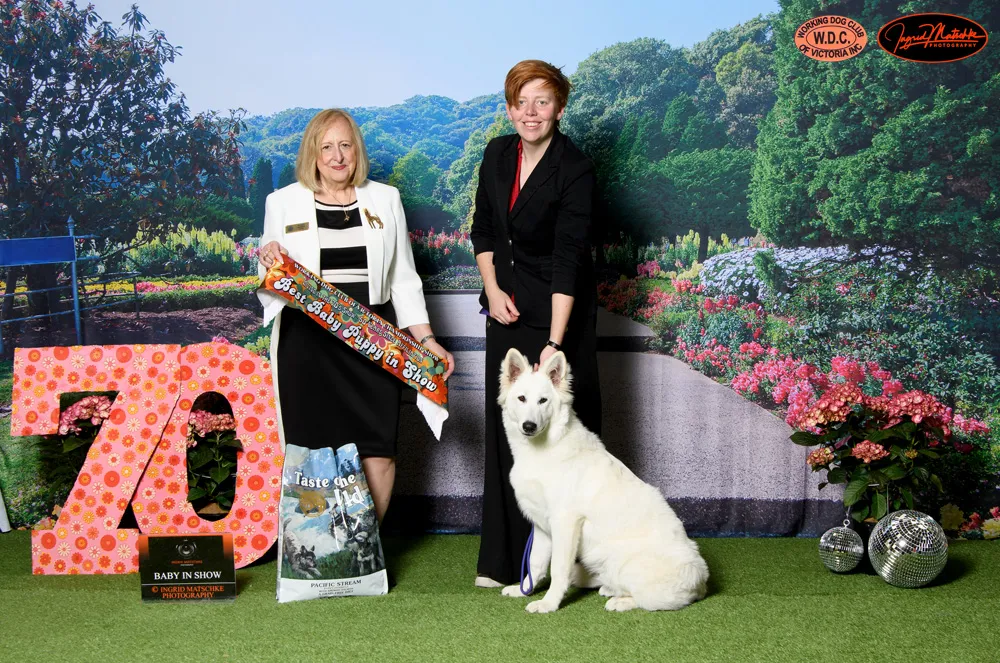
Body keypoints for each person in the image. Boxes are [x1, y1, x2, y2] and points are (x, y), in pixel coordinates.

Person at [257, 108, 454, 522]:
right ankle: (322, 557)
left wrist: (427, 339)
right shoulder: (282, 202)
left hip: (373, 340)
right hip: (307, 342)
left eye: (345, 145)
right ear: (312, 154)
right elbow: (269, 275)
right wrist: (269, 259)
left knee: (378, 446)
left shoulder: (385, 198)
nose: (337, 156)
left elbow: (403, 277)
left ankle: (367, 553)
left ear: (357, 150)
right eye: (326, 147)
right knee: (311, 454)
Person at [470, 61, 601, 587]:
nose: (530, 112)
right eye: (521, 101)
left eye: (542, 102)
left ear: (559, 110)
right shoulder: (496, 154)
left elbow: (570, 257)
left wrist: (554, 343)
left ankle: (581, 562)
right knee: (508, 435)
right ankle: (502, 563)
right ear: (508, 108)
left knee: (566, 439)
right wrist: (494, 290)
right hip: (506, 308)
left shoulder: (576, 167)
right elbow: (482, 229)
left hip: (559, 311)